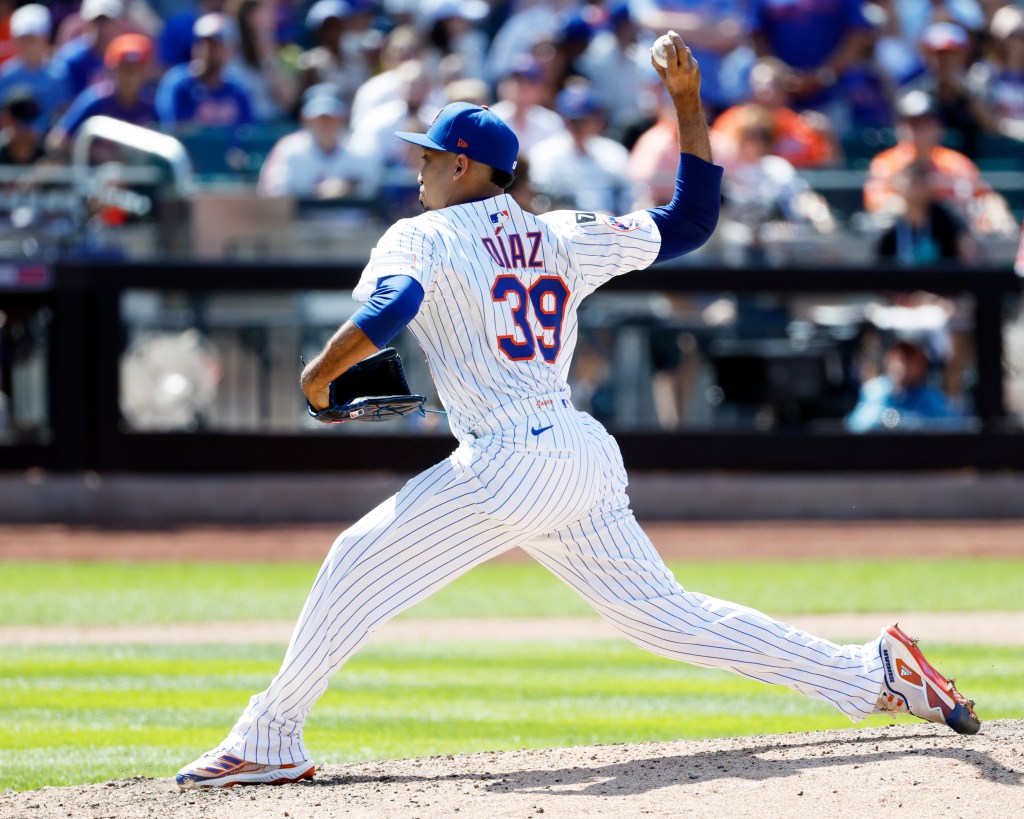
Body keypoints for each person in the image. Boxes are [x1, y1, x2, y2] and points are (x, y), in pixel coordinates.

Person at [175, 30, 981, 791]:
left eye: (427, 153)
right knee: (669, 618)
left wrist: (321, 373)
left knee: (356, 559)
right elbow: (691, 222)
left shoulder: (421, 236)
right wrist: (688, 104)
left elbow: (395, 302)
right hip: (576, 450)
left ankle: (268, 736)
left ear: (462, 165)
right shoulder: (562, 234)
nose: (416, 165)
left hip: (507, 458)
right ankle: (871, 671)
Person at [864, 89, 1016, 236]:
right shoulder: (886, 163)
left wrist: (995, 208)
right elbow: (876, 203)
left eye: (926, 123)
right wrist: (920, 201)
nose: (919, 131)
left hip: (952, 243)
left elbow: (985, 195)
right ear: (900, 128)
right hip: (903, 241)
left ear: (938, 127)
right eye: (913, 124)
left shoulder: (955, 163)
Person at [257, 84, 378, 198]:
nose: (324, 123)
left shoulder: (362, 150)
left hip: (352, 220)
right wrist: (318, 191)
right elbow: (273, 195)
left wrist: (347, 187)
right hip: (301, 220)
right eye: (317, 118)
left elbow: (372, 190)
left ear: (343, 117)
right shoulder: (288, 150)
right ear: (304, 119)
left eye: (331, 117)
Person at [46, 33, 157, 155]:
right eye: (124, 68)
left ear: (146, 71)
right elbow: (56, 140)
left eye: (136, 69)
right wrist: (93, 153)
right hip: (96, 172)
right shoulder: (95, 100)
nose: (130, 76)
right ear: (112, 70)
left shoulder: (151, 104)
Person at [155, 12, 254, 129]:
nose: (208, 51)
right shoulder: (178, 84)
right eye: (204, 43)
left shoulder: (237, 88)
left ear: (230, 50)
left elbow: (250, 134)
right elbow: (174, 130)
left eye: (216, 45)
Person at [846, 339, 962, 431]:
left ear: (921, 365)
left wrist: (906, 422)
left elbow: (955, 426)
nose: (902, 365)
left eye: (909, 359)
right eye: (899, 358)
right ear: (888, 360)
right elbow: (856, 426)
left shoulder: (931, 397)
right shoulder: (875, 391)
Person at [0, 4, 72, 132]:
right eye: (24, 39)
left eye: (33, 39)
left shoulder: (58, 74)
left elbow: (62, 114)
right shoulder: (6, 74)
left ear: (45, 38)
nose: (28, 45)